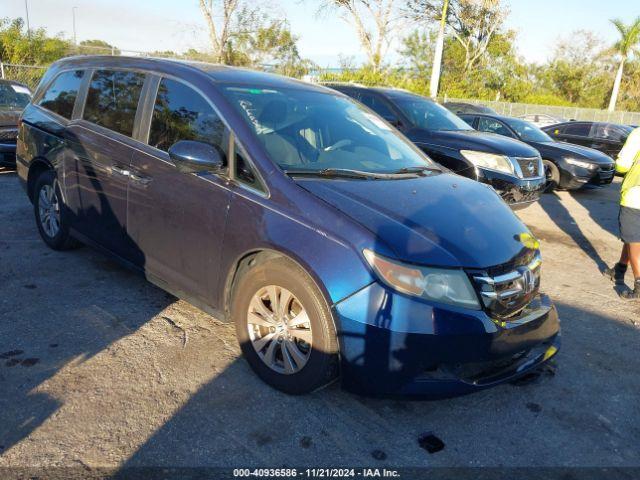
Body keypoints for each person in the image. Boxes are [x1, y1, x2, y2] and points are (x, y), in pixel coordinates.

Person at [604, 126, 640, 299]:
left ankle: (639, 285)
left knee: (634, 240)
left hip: (636, 196)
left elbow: (623, 165)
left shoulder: (638, 133)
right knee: (631, 236)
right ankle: (619, 270)